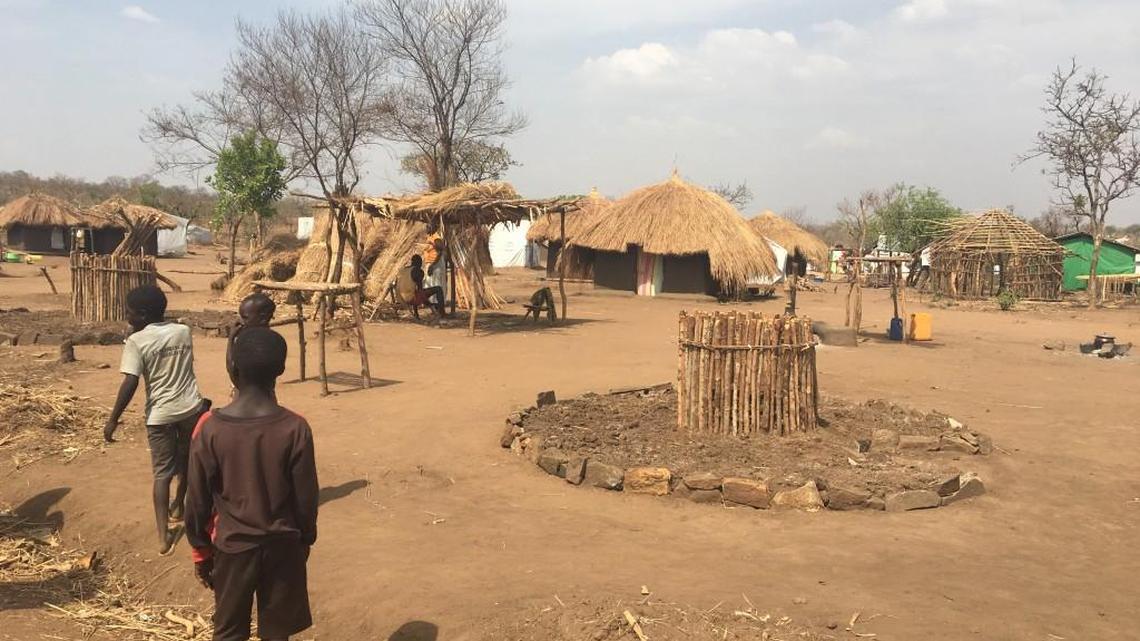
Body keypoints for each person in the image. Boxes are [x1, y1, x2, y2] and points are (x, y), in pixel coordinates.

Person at [186, 327, 318, 641]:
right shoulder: (295, 427)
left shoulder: (210, 427)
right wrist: (305, 540)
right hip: (283, 546)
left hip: (232, 547)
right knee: (277, 632)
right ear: (281, 370)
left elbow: (197, 500)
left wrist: (201, 552)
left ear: (232, 368)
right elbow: (306, 499)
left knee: (229, 632)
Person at [104, 285, 208, 555]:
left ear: (142, 314)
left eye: (129, 312)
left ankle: (163, 537)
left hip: (160, 416)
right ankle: (179, 505)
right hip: (190, 409)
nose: (126, 316)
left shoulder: (136, 341)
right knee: (186, 461)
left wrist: (113, 419)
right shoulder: (183, 331)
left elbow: (130, 381)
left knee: (162, 474)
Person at [226, 293, 276, 392]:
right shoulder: (270, 339)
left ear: (263, 318)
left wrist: (231, 339)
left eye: (245, 317)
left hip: (251, 398)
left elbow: (234, 375)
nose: (240, 321)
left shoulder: (257, 344)